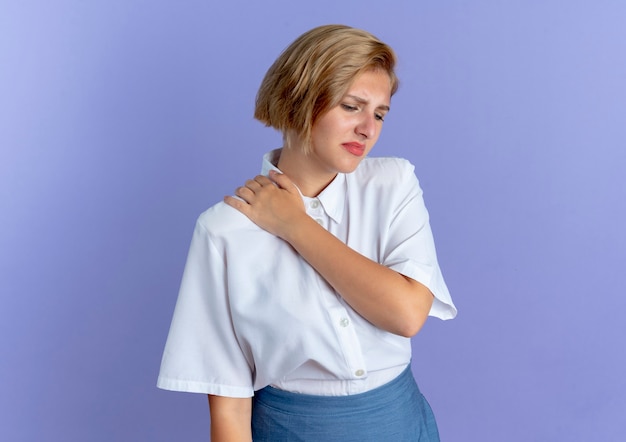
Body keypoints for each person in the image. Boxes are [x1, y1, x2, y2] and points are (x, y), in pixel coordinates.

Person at [157, 24, 457, 441]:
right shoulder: (223, 231)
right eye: (352, 106)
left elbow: (406, 315)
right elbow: (228, 403)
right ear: (298, 100)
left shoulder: (393, 184)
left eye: (380, 114)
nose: (368, 129)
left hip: (400, 423)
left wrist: (294, 225)